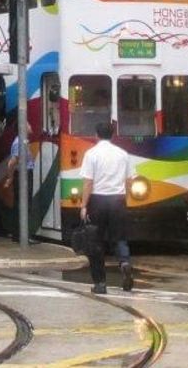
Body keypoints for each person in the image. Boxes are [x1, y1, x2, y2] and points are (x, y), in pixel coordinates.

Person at [80, 121, 134, 294]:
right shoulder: (123, 154)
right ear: (113, 135)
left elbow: (88, 182)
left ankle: (100, 283)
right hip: (118, 200)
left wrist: (83, 205)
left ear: (96, 135)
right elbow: (129, 180)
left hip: (98, 201)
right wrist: (125, 199)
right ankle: (124, 262)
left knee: (95, 242)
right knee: (120, 238)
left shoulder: (91, 154)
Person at [2, 121, 37, 243]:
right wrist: (10, 177)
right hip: (23, 175)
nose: (30, 126)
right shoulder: (19, 142)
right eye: (28, 124)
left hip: (24, 174)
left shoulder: (23, 141)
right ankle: (22, 236)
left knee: (22, 204)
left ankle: (19, 235)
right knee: (24, 204)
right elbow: (12, 162)